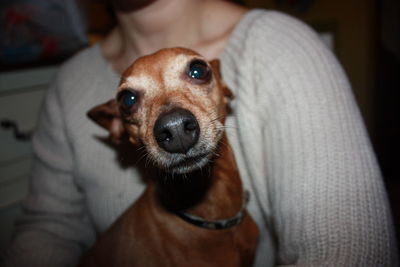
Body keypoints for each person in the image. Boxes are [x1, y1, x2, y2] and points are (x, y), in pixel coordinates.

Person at [2, 0, 398, 266]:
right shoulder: (68, 81)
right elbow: (47, 226)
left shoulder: (283, 46)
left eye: (195, 73)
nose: (172, 122)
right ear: (123, 129)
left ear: (224, 90)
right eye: (131, 101)